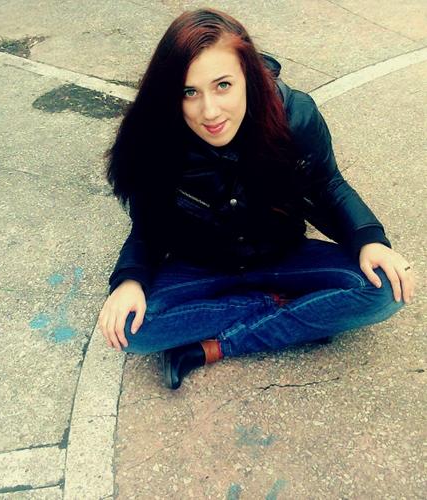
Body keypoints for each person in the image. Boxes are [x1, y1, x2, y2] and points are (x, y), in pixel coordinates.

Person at [99, 8, 415, 390]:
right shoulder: (155, 140)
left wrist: (369, 239)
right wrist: (130, 281)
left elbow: (328, 185)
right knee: (128, 330)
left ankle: (216, 346)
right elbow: (148, 225)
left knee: (386, 288)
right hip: (201, 264)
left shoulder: (295, 115)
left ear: (247, 76)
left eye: (223, 85)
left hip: (283, 254)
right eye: (189, 92)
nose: (209, 111)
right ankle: (288, 307)